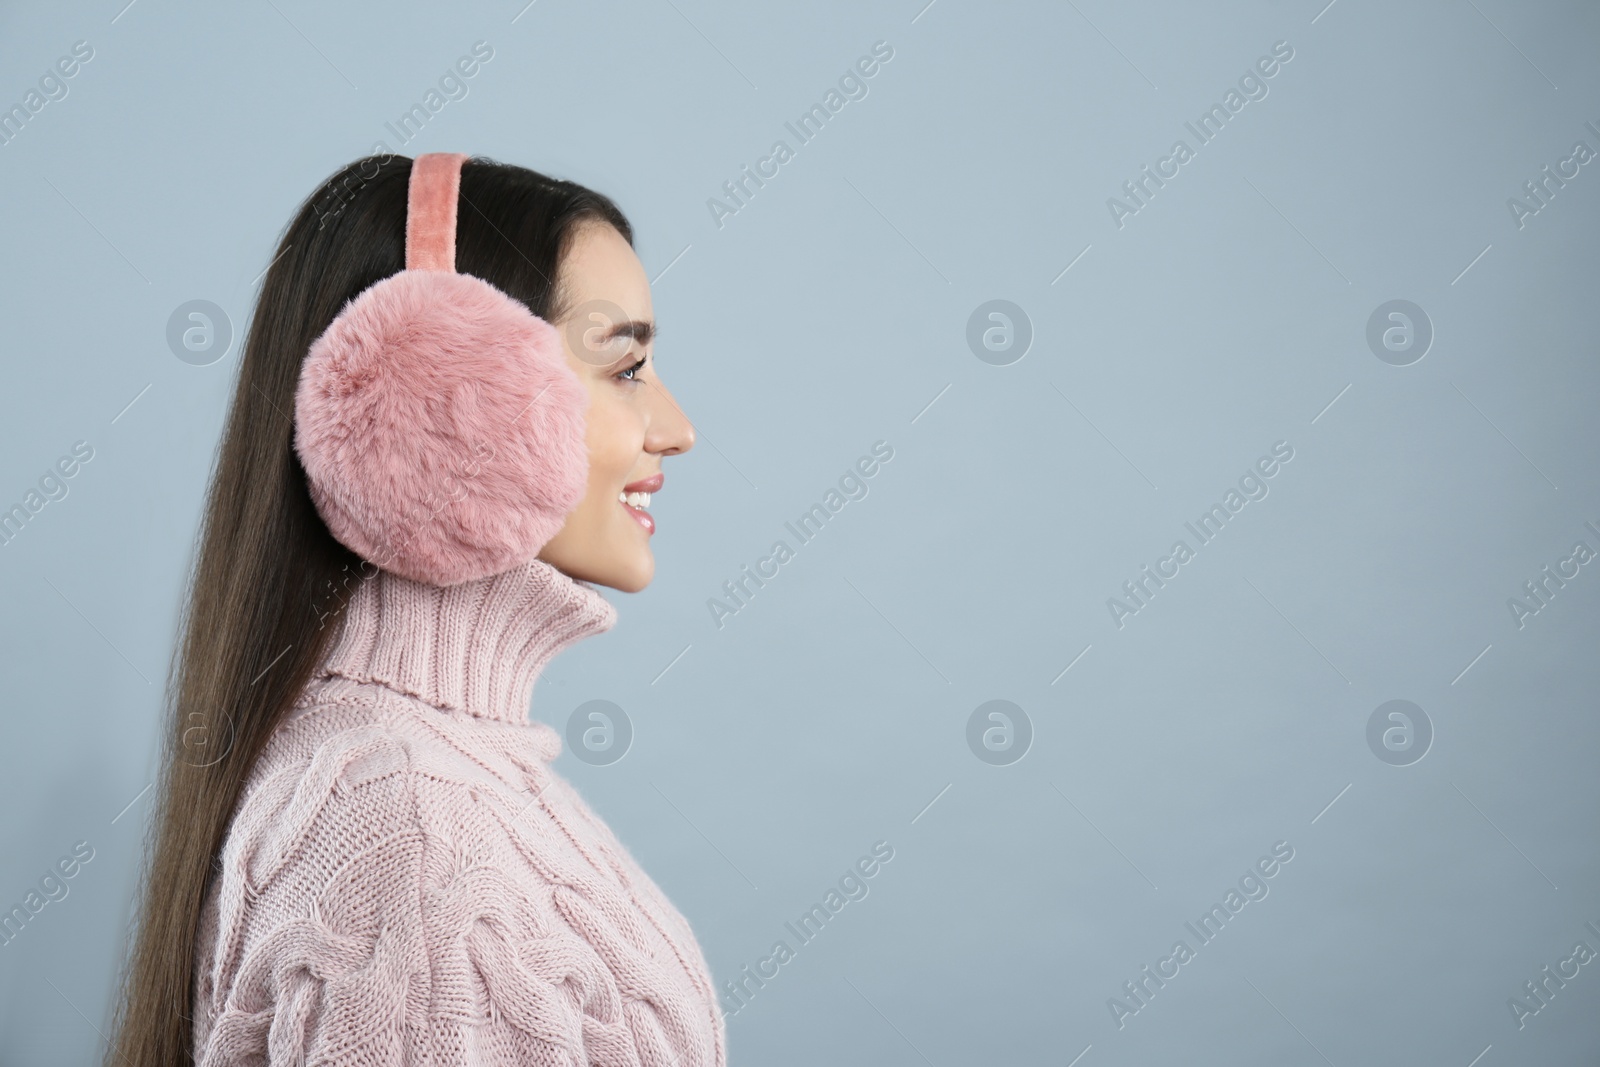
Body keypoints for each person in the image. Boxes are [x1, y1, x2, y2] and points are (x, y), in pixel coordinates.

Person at [104, 153, 721, 1066]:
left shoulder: (428, 782)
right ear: (442, 402)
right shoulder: (414, 829)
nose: (676, 426)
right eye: (626, 367)